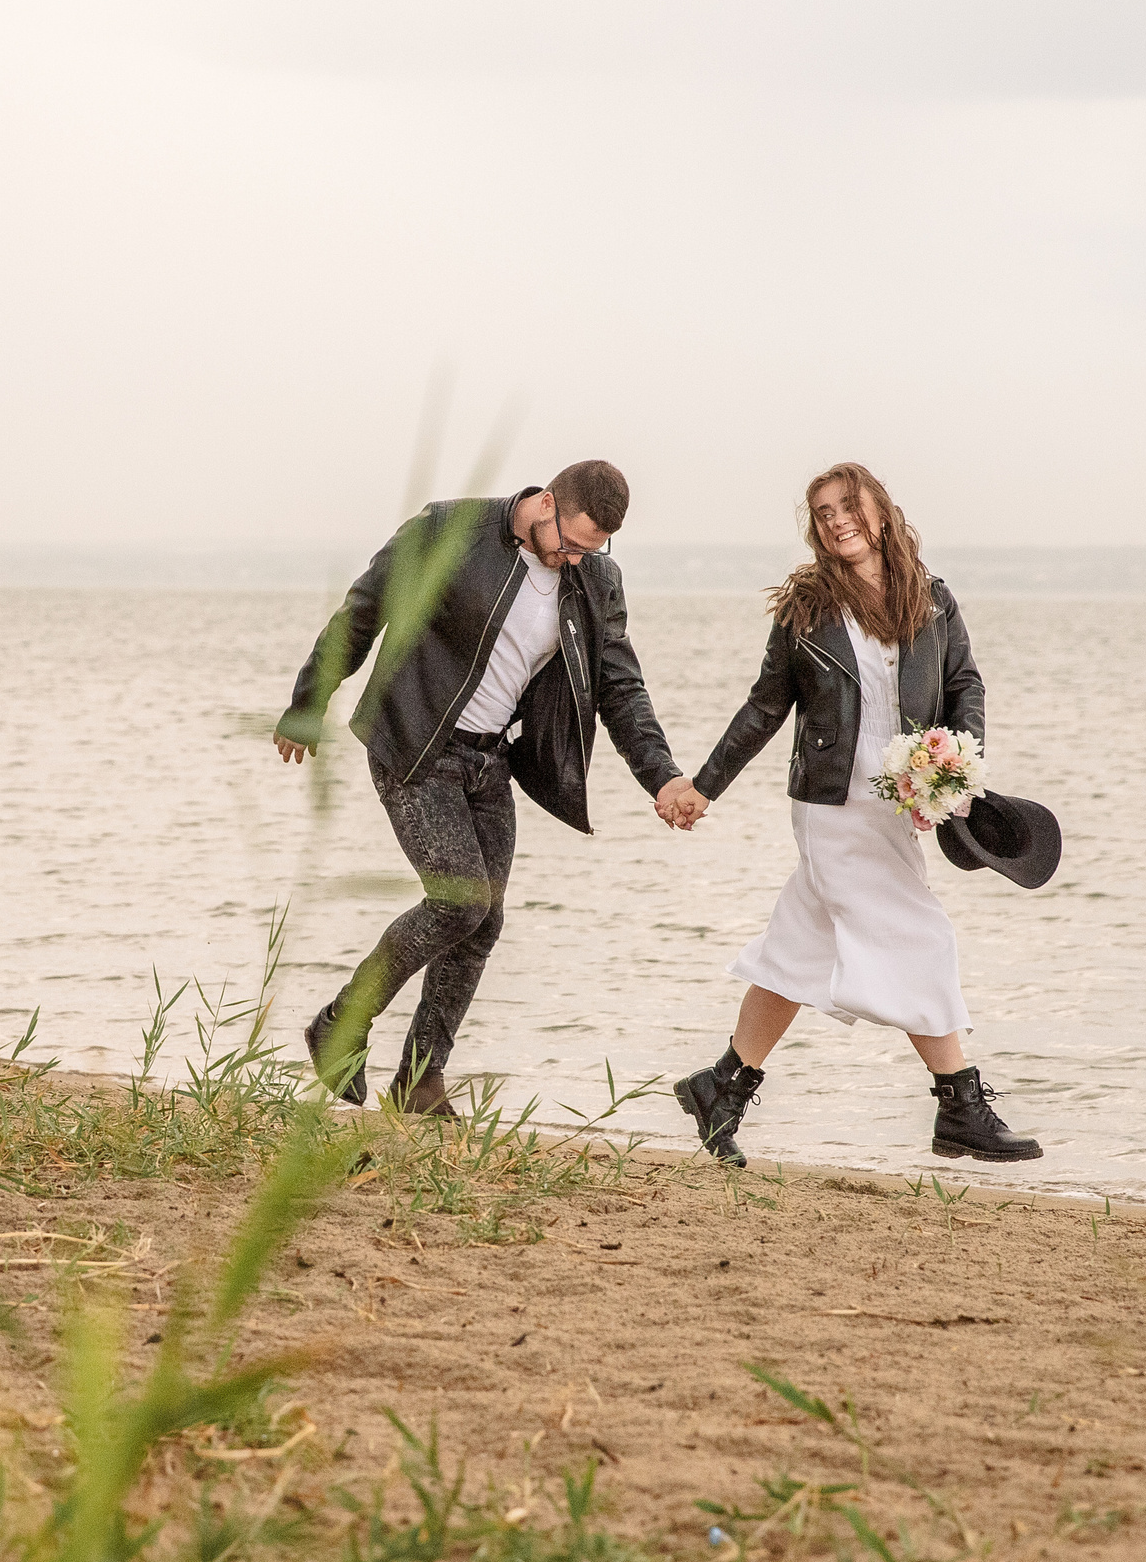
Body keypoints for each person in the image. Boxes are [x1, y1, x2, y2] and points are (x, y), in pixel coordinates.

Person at [275, 461, 694, 1116]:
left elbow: (621, 687)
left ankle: (418, 1079)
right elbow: (363, 611)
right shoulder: (452, 529)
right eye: (571, 541)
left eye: (593, 548)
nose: (576, 557)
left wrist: (662, 773)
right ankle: (340, 1023)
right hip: (414, 743)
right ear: (546, 502)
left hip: (488, 761)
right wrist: (309, 701)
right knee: (460, 899)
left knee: (483, 920)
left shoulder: (594, 581)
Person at [661, 462, 1042, 1167]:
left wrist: (956, 766)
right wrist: (703, 785)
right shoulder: (808, 604)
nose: (836, 518)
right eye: (823, 511)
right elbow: (766, 706)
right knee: (922, 935)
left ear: (879, 507)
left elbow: (964, 684)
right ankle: (959, 1104)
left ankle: (723, 1086)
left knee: (797, 952)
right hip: (833, 805)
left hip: (899, 806)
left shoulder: (931, 599)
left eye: (847, 504)